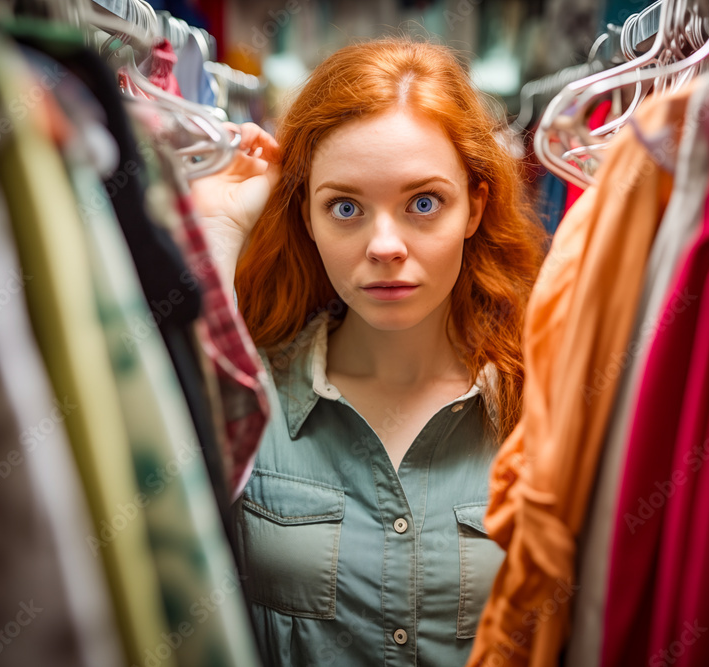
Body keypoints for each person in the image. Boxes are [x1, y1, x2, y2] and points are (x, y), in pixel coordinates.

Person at [190, 37, 546, 667]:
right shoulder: (247, 395)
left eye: (424, 203)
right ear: (305, 213)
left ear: (475, 206)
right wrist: (220, 229)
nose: (384, 245)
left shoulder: (545, 404)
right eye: (346, 207)